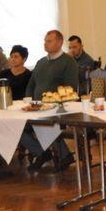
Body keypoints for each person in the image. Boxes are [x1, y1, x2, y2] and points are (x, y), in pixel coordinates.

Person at [22, 30, 79, 171]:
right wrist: (28, 101)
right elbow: (31, 84)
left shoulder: (68, 62)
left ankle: (63, 155)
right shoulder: (41, 62)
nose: (45, 44)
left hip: (57, 107)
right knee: (16, 125)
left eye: (49, 41)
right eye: (45, 41)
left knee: (45, 121)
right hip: (36, 106)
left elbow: (70, 88)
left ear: (59, 42)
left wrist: (52, 102)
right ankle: (42, 153)